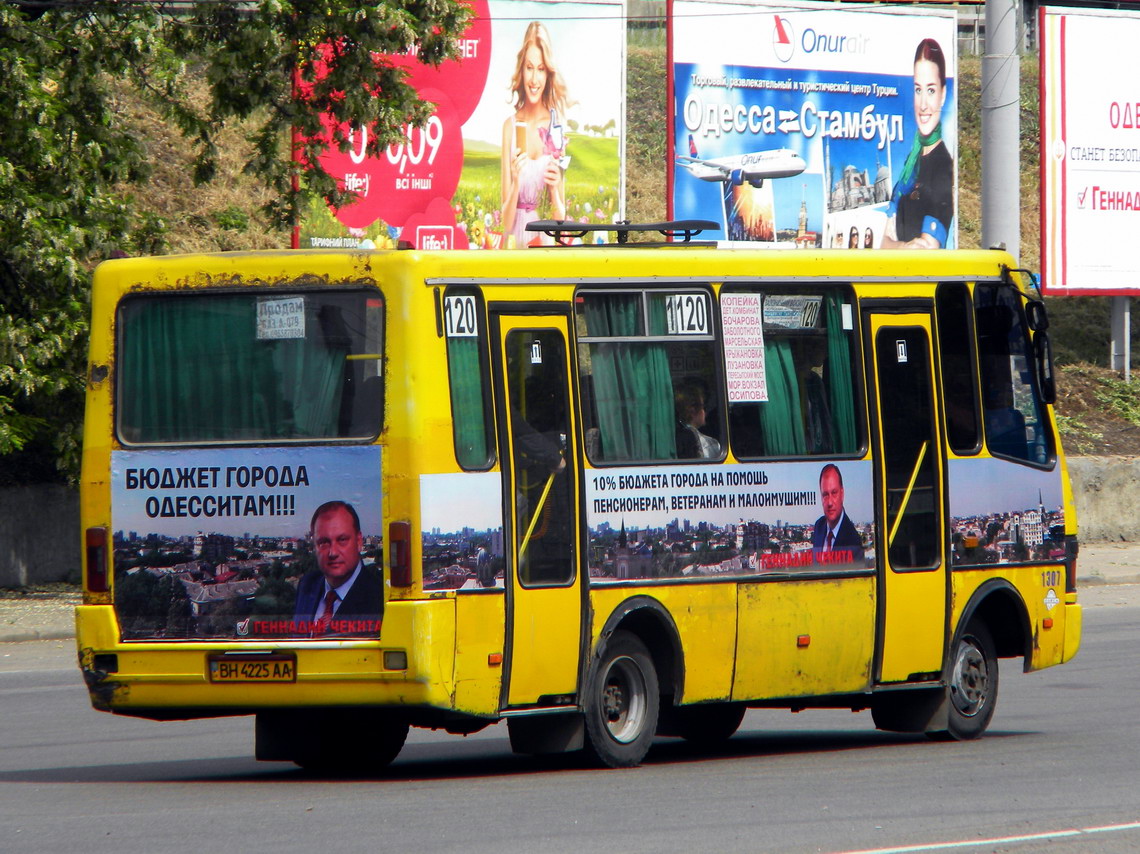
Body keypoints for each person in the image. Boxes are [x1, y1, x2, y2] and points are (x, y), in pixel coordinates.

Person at [500, 21, 570, 249]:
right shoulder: (510, 127)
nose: (534, 79)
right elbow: (505, 222)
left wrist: (554, 188)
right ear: (521, 70)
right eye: (529, 67)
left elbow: (559, 217)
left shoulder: (555, 128)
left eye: (541, 69)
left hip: (544, 239)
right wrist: (516, 182)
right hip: (514, 241)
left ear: (548, 74)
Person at [881, 38, 954, 249]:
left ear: (943, 94)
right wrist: (903, 247)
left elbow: (925, 249)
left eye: (931, 90)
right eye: (918, 89)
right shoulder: (910, 163)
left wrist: (896, 246)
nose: (923, 104)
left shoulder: (942, 167)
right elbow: (882, 243)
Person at [293, 500, 383, 636]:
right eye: (323, 542)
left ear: (359, 541)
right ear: (314, 546)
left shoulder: (379, 598)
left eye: (342, 540)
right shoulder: (307, 585)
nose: (333, 552)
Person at [811, 464, 864, 563]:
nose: (830, 502)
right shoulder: (819, 526)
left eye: (834, 493)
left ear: (842, 494)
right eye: (825, 495)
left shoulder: (854, 542)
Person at [675, 381, 721, 459]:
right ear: (692, 410)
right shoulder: (711, 445)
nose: (705, 412)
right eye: (703, 407)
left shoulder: (672, 439)